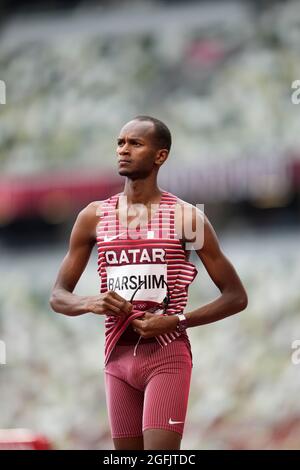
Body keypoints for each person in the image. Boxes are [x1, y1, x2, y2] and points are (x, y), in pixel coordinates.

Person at [50, 115, 248, 450]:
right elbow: (58, 296)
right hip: (116, 357)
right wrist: (90, 302)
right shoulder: (92, 217)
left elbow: (236, 296)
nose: (123, 150)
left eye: (135, 143)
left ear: (161, 156)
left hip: (166, 355)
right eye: (120, 143)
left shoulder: (187, 218)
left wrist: (177, 320)